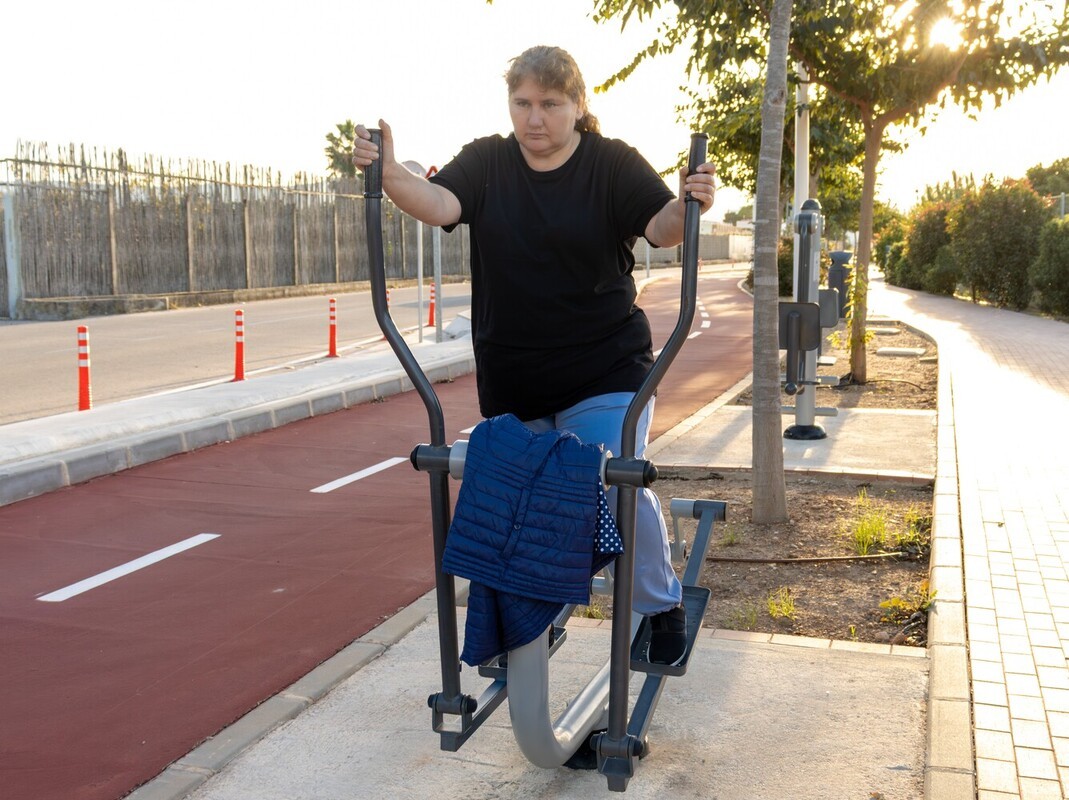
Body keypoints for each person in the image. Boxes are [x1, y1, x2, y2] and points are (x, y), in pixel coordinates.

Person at [352, 44, 716, 664]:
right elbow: (439, 203)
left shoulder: (610, 164)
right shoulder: (488, 160)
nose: (534, 117)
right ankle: (536, 615)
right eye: (522, 103)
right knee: (515, 503)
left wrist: (690, 203)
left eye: (549, 104)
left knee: (608, 483)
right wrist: (388, 172)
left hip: (604, 371)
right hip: (514, 378)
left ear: (577, 105)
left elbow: (659, 226)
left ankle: (660, 602)